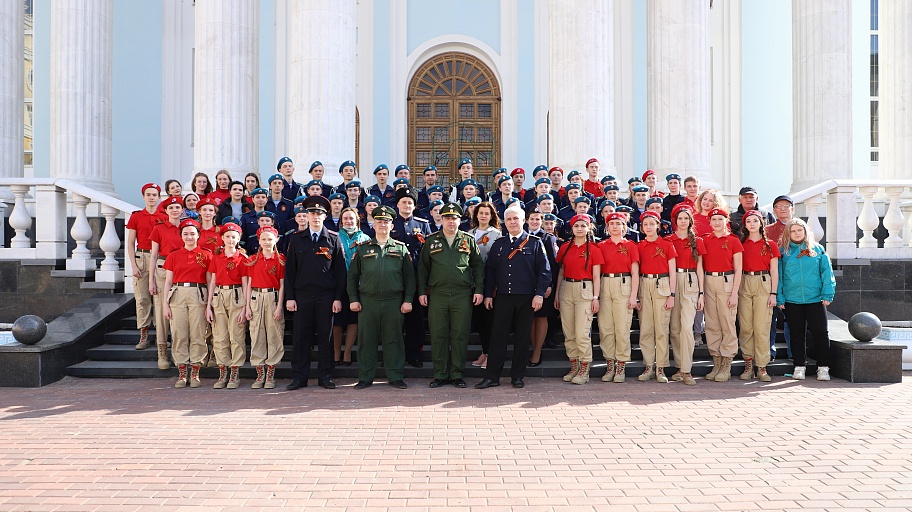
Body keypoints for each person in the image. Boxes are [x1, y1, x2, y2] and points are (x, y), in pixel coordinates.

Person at [476, 207, 551, 389]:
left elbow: (544, 271)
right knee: (498, 338)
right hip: (503, 298)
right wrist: (488, 295)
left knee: (522, 338)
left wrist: (539, 294)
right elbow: (491, 272)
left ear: (523, 220)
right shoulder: (499, 244)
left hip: (526, 298)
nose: (512, 222)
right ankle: (492, 377)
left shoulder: (534, 243)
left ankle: (517, 376)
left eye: (515, 219)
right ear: (504, 222)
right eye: (508, 219)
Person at [348, 206, 415, 389]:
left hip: (394, 302)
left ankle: (395, 376)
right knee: (366, 340)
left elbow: (410, 278)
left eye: (386, 221)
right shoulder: (362, 249)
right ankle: (365, 377)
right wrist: (353, 299)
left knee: (393, 340)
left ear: (392, 225)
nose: (383, 224)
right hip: (368, 302)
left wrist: (408, 300)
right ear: (374, 225)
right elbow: (352, 277)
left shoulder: (400, 248)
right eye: (379, 221)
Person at [418, 202, 485, 388]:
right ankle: (440, 374)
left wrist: (479, 289)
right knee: (438, 335)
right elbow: (423, 268)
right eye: (447, 218)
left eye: (454, 218)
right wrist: (422, 291)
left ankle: (456, 374)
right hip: (438, 294)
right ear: (442, 219)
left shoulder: (468, 240)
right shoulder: (431, 240)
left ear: (459, 220)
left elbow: (478, 266)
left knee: (459, 335)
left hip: (462, 295)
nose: (451, 221)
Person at [284, 195, 346, 391]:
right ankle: (299, 377)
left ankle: (325, 376)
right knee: (301, 337)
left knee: (325, 338)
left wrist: (337, 298)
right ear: (306, 215)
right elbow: (290, 272)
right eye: (312, 213)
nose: (315, 216)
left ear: (325, 216)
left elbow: (340, 272)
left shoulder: (333, 239)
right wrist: (290, 297)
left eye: (319, 213)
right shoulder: (296, 239)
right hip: (302, 296)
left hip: (326, 297)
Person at [777, 218, 835, 381]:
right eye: (793, 231)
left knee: (820, 333)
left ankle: (823, 367)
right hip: (792, 300)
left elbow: (827, 273)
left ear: (805, 231)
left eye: (799, 230)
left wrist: (827, 294)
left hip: (815, 299)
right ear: (788, 233)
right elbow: (779, 276)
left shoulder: (818, 249)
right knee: (796, 334)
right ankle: (799, 366)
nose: (796, 233)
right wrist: (780, 297)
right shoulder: (784, 252)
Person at [162, 219, 212, 388]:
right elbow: (167, 282)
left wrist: (209, 304)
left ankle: (196, 371)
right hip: (178, 294)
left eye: (192, 234)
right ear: (181, 236)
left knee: (198, 333)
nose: (189, 237)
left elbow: (209, 280)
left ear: (198, 235)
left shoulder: (206, 254)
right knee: (178, 333)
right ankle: (182, 372)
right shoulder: (174, 255)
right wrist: (165, 304)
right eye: (186, 234)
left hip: (198, 293)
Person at [553, 214, 603, 384]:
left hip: (585, 289)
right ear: (572, 228)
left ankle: (584, 368)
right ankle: (574, 365)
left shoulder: (594, 249)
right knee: (569, 332)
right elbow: (560, 271)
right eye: (576, 226)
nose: (580, 229)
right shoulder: (565, 247)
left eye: (583, 226)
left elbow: (596, 276)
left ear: (589, 228)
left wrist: (596, 297)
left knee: (582, 332)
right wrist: (557, 294)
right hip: (567, 288)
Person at [596, 212, 640, 383]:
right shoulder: (601, 245)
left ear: (624, 226)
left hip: (624, 283)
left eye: (618, 223)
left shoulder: (630, 245)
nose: (614, 226)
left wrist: (633, 296)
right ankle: (609, 364)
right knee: (606, 327)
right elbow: (597, 272)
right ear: (607, 227)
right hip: (605, 283)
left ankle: (621, 365)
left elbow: (635, 272)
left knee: (622, 328)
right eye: (611, 223)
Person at [737, 210, 781, 382]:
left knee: (762, 326)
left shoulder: (770, 244)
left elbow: (775, 270)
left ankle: (762, 366)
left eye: (755, 220)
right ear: (745, 225)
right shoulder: (741, 243)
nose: (752, 224)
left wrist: (773, 293)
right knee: (746, 326)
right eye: (748, 221)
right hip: (745, 281)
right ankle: (748, 363)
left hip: (764, 282)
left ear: (761, 223)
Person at [391, 186, 431, 368]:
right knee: (395, 321)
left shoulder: (423, 225)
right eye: (403, 202)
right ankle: (395, 355)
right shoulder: (390, 223)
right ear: (397, 204)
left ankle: (414, 354)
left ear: (414, 205)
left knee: (415, 320)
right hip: (394, 278)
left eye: (410, 202)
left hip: (415, 278)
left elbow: (428, 253)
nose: (407, 205)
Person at [205, 221, 248, 389]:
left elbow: (245, 284)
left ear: (238, 239)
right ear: (222, 238)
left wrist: (245, 307)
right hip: (219, 297)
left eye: (234, 237)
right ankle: (222, 371)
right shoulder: (217, 258)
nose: (230, 240)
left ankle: (235, 372)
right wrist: (208, 306)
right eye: (227, 236)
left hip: (237, 296)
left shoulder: (242, 259)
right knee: (220, 336)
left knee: (236, 336)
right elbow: (213, 282)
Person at [635, 211, 677, 383]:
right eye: (646, 225)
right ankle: (649, 366)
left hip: (663, 284)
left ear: (658, 226)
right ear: (642, 228)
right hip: (645, 285)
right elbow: (636, 272)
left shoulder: (666, 245)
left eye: (652, 224)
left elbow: (672, 271)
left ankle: (661, 367)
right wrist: (636, 295)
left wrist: (672, 294)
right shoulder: (639, 246)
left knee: (661, 328)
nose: (649, 227)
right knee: (646, 328)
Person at [666, 204, 705, 386]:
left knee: (687, 327)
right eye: (680, 218)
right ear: (675, 221)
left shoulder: (697, 241)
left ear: (690, 221)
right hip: (672, 281)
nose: (683, 221)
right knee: (674, 328)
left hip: (690, 281)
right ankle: (680, 367)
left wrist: (702, 293)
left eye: (686, 218)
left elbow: (700, 268)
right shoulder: (668, 240)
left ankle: (687, 370)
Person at [702, 207, 743, 382]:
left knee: (727, 322)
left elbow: (738, 268)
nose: (717, 223)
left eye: (720, 219)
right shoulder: (705, 240)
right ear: (709, 222)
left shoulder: (733, 241)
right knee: (712, 323)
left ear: (726, 221)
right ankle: (716, 361)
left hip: (727, 281)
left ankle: (727, 363)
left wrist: (734, 293)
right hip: (709, 280)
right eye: (714, 220)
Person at [243, 226, 286, 389]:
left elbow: (282, 285)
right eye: (263, 239)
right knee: (256, 334)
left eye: (270, 239)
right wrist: (247, 306)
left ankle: (270, 373)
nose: (267, 242)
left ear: (276, 240)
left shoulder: (280, 259)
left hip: (272, 297)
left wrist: (279, 306)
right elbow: (247, 285)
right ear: (259, 241)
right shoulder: (252, 259)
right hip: (256, 297)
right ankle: (260, 372)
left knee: (274, 334)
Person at [126, 183, 164, 352]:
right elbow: (130, 242)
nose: (151, 197)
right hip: (142, 257)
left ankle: (161, 335)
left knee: (159, 298)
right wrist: (133, 265)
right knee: (142, 298)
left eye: (154, 194)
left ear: (158, 197)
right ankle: (144, 334)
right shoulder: (136, 216)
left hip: (159, 258)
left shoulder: (164, 216)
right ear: (143, 196)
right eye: (148, 194)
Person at [148, 196, 184, 370]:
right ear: (167, 211)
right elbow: (153, 255)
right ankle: (162, 352)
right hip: (162, 270)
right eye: (171, 208)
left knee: (179, 313)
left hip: (183, 270)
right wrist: (151, 280)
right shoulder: (159, 229)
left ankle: (179, 353)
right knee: (163, 312)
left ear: (182, 210)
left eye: (178, 207)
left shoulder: (188, 227)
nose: (175, 210)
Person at [464, 202, 501, 369]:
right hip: (472, 282)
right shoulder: (468, 234)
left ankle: (491, 354)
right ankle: (485, 351)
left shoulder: (496, 235)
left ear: (492, 216)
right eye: (481, 213)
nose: (483, 216)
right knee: (479, 322)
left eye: (487, 213)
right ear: (476, 215)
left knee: (489, 322)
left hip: (488, 281)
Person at [333, 207, 370, 366]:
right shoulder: (334, 237)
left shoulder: (366, 238)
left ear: (357, 221)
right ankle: (336, 353)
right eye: (345, 218)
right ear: (341, 221)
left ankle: (347, 353)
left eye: (351, 219)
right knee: (337, 321)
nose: (348, 221)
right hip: (338, 284)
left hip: (358, 285)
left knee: (353, 320)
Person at [526, 210, 559, 365]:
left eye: (538, 219)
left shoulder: (548, 238)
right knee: (530, 318)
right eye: (532, 219)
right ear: (527, 220)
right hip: (526, 285)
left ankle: (537, 351)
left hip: (543, 285)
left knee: (541, 317)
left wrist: (549, 285)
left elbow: (553, 264)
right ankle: (532, 347)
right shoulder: (522, 236)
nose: (534, 222)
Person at [766, 194, 795, 360]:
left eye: (786, 206)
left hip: (793, 280)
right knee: (770, 317)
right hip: (772, 279)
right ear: (774, 210)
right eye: (779, 206)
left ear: (792, 209)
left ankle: (793, 353)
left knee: (792, 320)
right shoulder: (768, 230)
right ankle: (769, 352)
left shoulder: (801, 228)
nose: (783, 209)